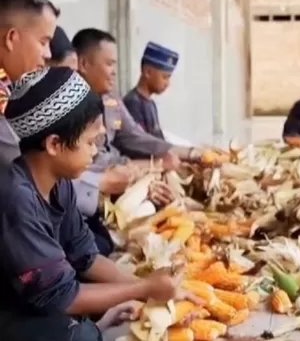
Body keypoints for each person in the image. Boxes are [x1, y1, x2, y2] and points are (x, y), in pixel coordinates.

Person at [0, 66, 183, 341]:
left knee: (98, 304)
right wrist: (143, 288)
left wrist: (154, 290)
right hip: (9, 313)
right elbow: (62, 298)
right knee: (80, 334)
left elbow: (85, 257)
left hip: (37, 301)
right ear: (54, 144)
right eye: (90, 142)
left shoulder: (60, 184)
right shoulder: (17, 199)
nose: (96, 151)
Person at [71, 28, 199, 256]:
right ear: (83, 64)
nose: (114, 73)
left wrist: (191, 153)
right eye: (109, 64)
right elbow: (91, 163)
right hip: (95, 192)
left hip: (120, 181)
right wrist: (146, 168)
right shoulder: (68, 106)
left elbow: (134, 136)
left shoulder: (111, 100)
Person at [0, 0, 59, 165]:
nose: (48, 54)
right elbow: (23, 166)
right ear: (11, 38)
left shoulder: (9, 87)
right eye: (43, 42)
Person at [123, 42, 178, 140]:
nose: (168, 83)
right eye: (165, 77)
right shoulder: (132, 103)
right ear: (148, 72)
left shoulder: (150, 103)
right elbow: (141, 142)